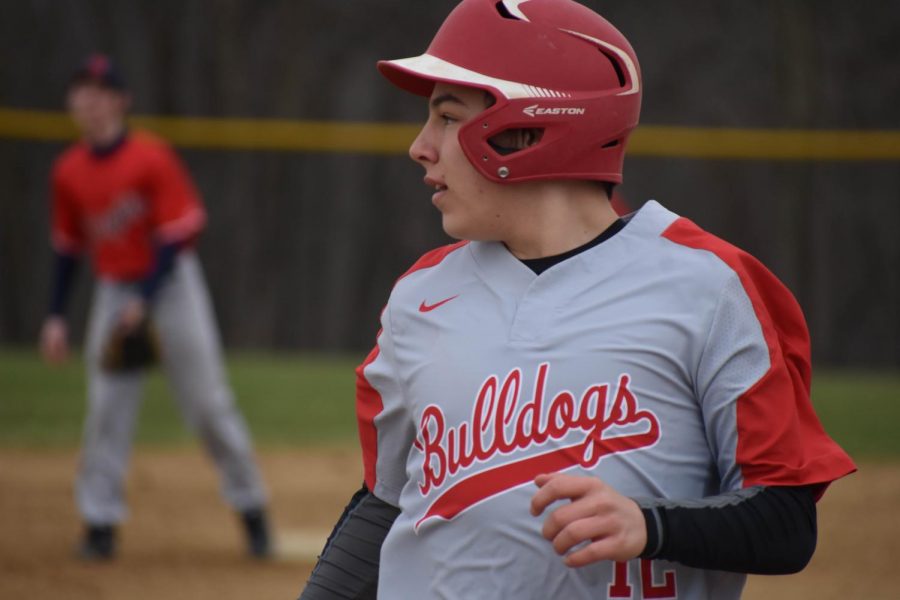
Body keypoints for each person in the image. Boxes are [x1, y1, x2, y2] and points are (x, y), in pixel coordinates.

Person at [299, 1, 855, 598]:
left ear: (530, 126)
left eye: (448, 117)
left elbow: (786, 520)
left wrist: (651, 525)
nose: (421, 147)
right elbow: (386, 507)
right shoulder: (419, 297)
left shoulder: (708, 288)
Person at [39, 54, 272, 560]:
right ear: (72, 102)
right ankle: (100, 524)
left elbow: (177, 235)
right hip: (114, 289)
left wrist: (143, 301)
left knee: (208, 404)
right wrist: (56, 316)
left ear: (121, 102)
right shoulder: (68, 171)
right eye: (83, 92)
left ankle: (252, 510)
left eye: (102, 92)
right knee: (105, 410)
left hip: (172, 287)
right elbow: (67, 248)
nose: (91, 102)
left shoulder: (151, 157)